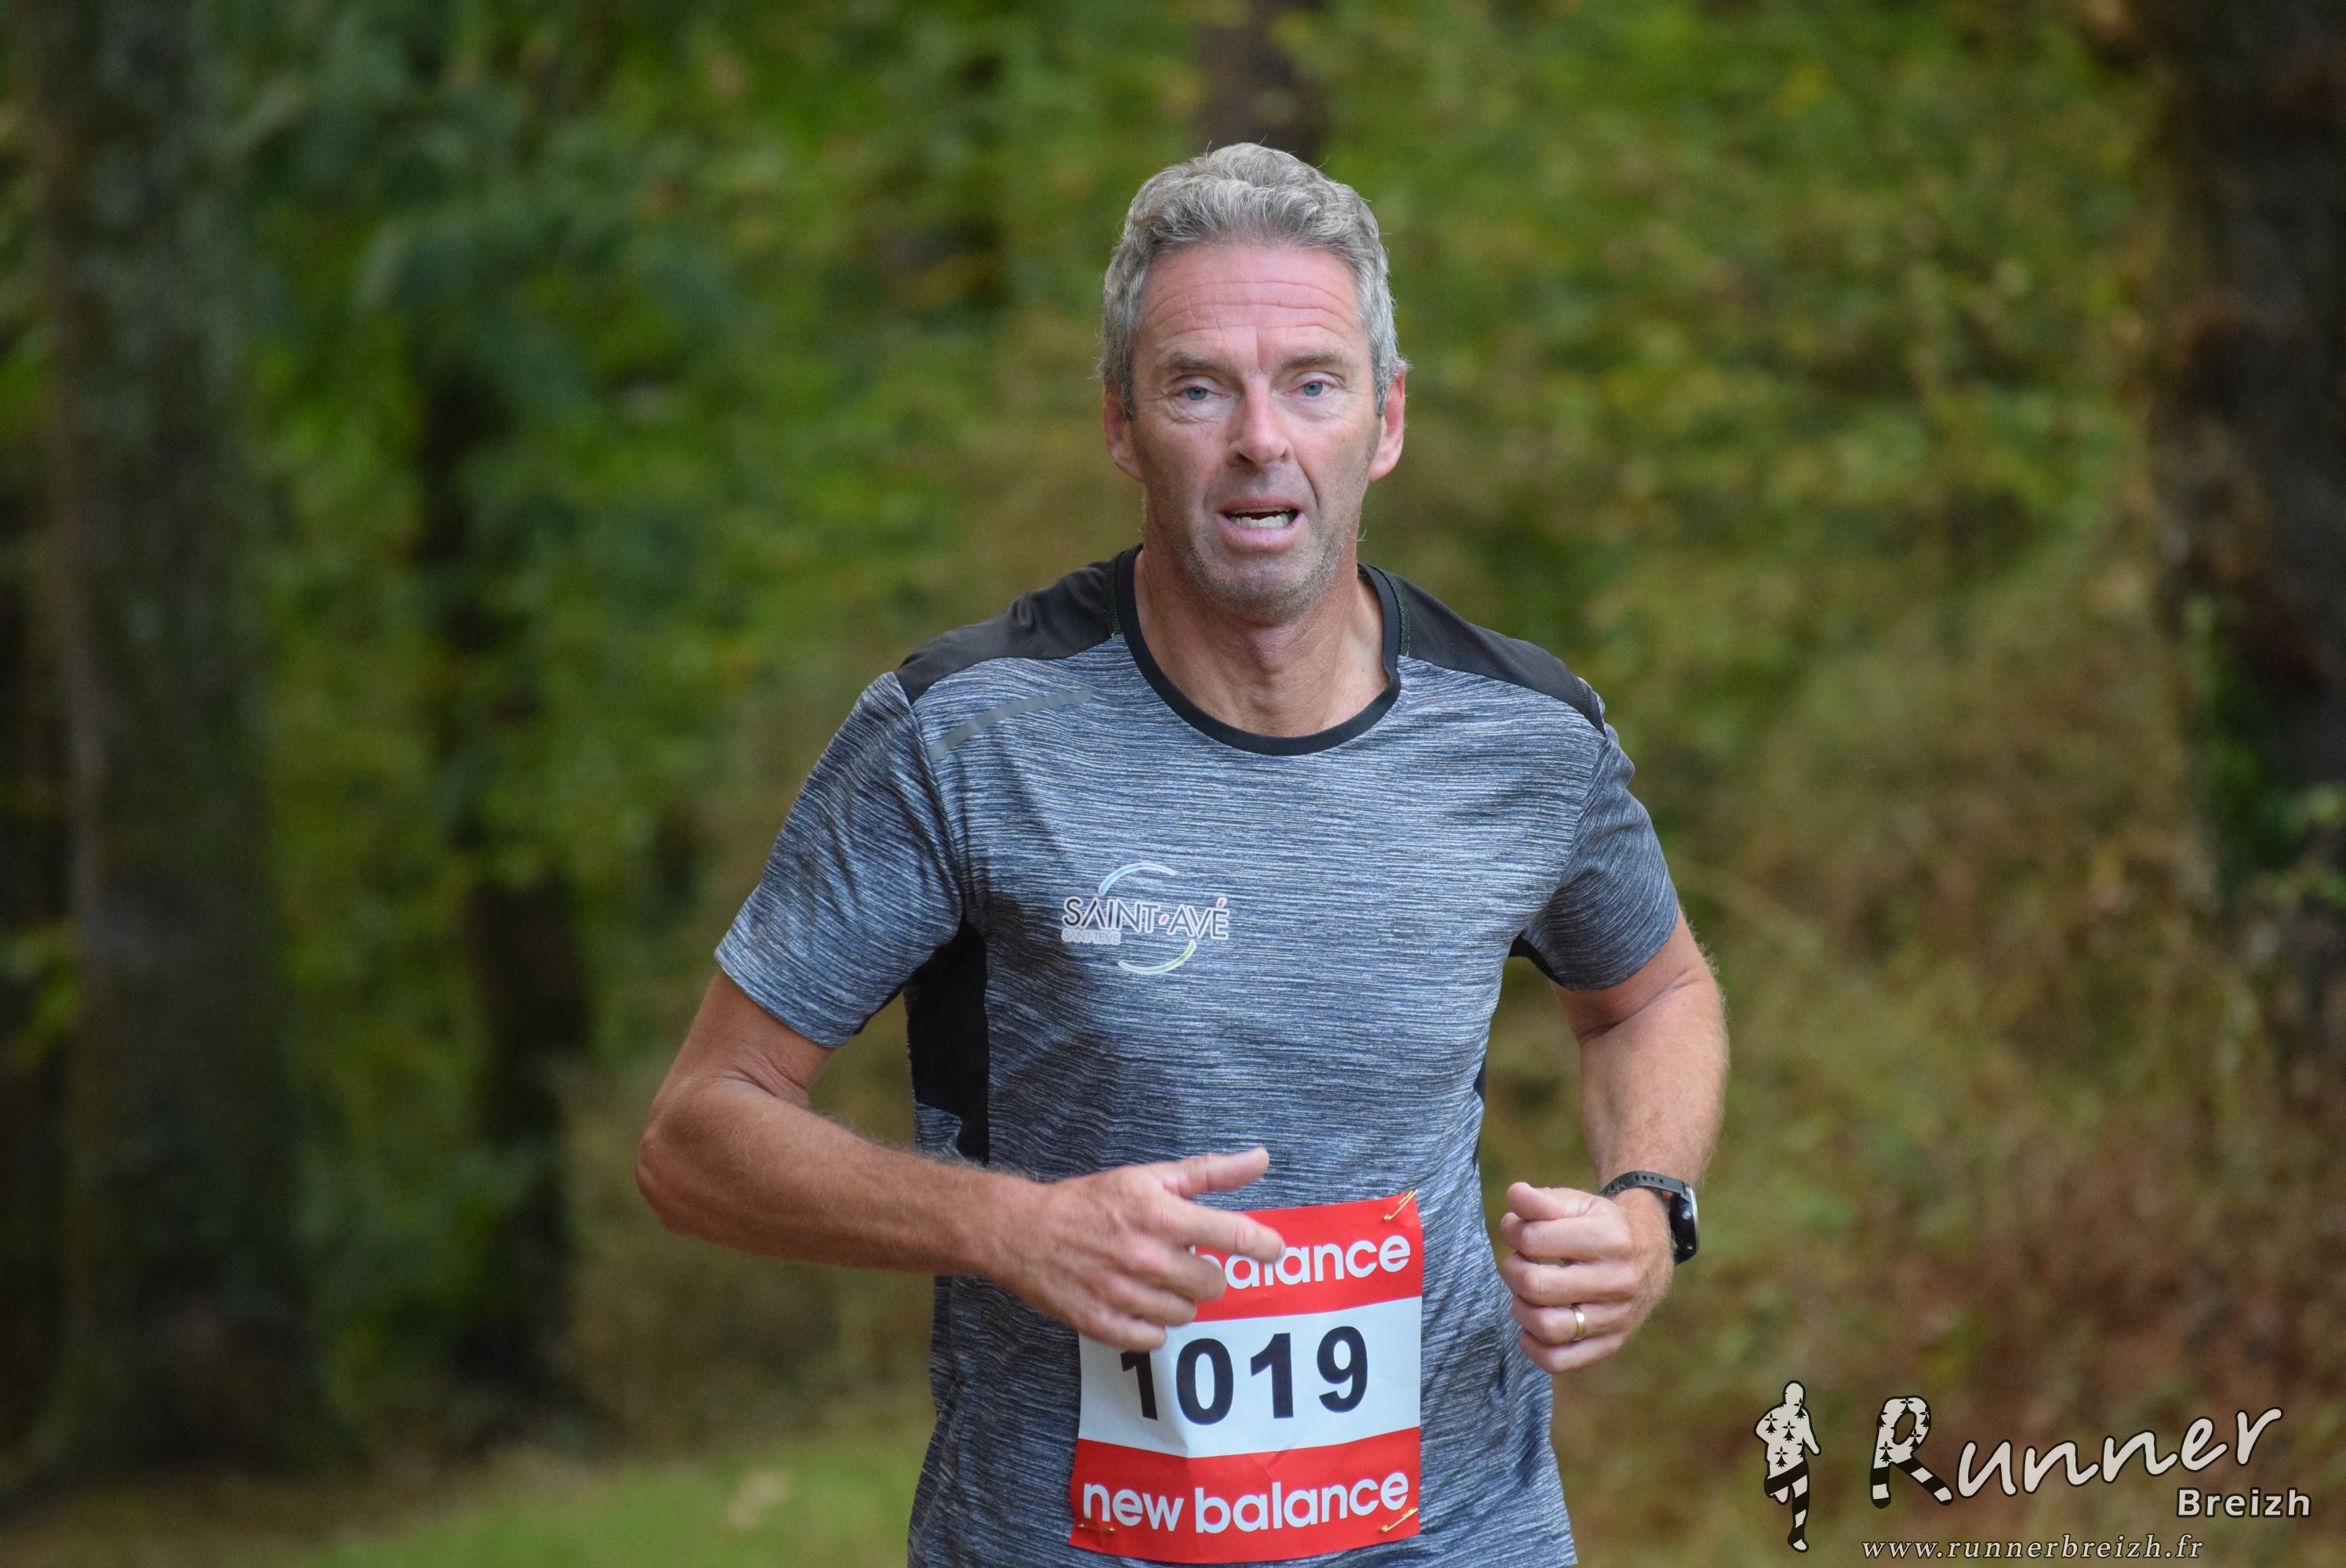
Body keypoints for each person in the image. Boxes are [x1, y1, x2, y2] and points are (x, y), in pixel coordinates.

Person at [636, 142, 1727, 1566]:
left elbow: (1653, 996)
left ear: (1387, 420)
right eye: (1199, 388)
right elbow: (696, 1135)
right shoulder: (963, 737)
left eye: (1313, 384)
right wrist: (1007, 1227)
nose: (1261, 439)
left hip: (1463, 1529)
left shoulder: (1525, 738)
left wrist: (1648, 1206)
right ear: (1120, 423)